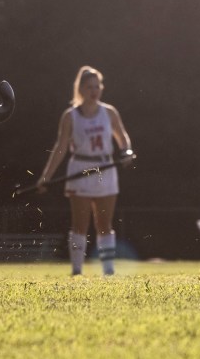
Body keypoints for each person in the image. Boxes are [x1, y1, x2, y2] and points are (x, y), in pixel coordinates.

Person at [36, 66, 134, 276]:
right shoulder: (71, 116)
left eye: (97, 86)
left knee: (104, 223)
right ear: (80, 89)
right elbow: (60, 148)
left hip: (105, 169)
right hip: (80, 169)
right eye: (89, 87)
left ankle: (108, 270)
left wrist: (126, 151)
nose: (94, 91)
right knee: (80, 224)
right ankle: (77, 270)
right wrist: (46, 177)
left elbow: (123, 137)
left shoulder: (109, 112)